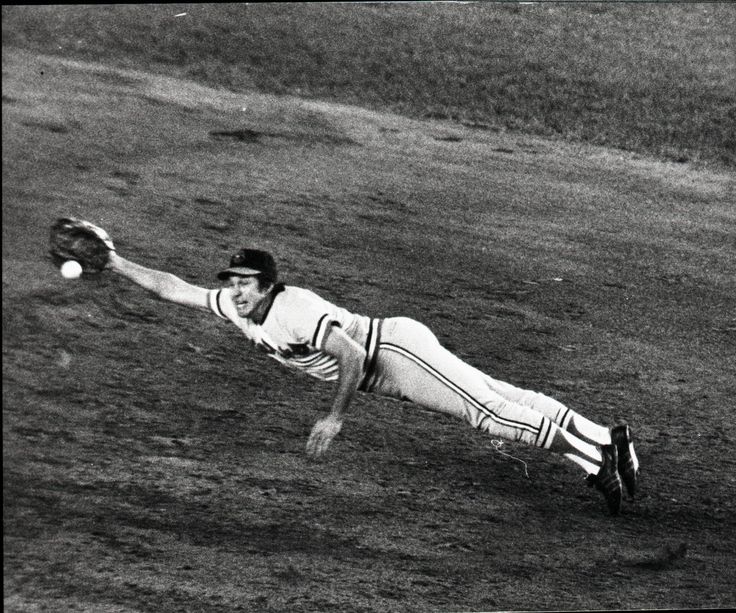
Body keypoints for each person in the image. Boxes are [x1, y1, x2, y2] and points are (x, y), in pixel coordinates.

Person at [105, 244, 639, 515]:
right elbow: (172, 287)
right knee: (505, 396)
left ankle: (593, 464)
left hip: (394, 353)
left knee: (489, 414)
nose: (236, 292)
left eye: (246, 284)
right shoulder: (238, 308)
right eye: (233, 283)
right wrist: (114, 261)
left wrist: (334, 417)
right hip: (391, 354)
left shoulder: (293, 308)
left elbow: (353, 355)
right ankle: (606, 440)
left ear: (268, 286)